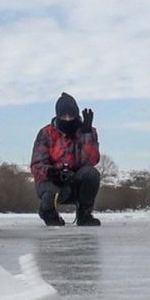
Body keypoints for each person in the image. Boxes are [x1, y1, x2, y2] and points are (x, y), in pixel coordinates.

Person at [30, 92, 101, 227]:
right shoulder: (46, 133)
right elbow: (36, 163)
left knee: (91, 174)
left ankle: (84, 214)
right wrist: (52, 172)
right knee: (49, 194)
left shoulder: (87, 131)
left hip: (75, 180)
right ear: (58, 115)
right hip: (52, 181)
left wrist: (87, 135)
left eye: (71, 115)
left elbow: (92, 160)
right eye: (63, 115)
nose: (68, 119)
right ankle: (48, 212)